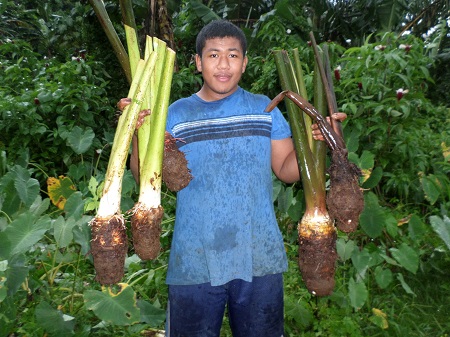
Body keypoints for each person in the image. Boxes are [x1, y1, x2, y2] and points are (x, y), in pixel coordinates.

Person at [123, 19, 345, 337]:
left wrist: (322, 141)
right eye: (213, 55)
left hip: (259, 257)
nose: (223, 64)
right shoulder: (174, 114)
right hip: (194, 259)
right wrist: (135, 133)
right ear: (198, 62)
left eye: (233, 54)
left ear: (245, 62)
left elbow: (286, 170)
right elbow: (144, 174)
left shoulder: (265, 109)